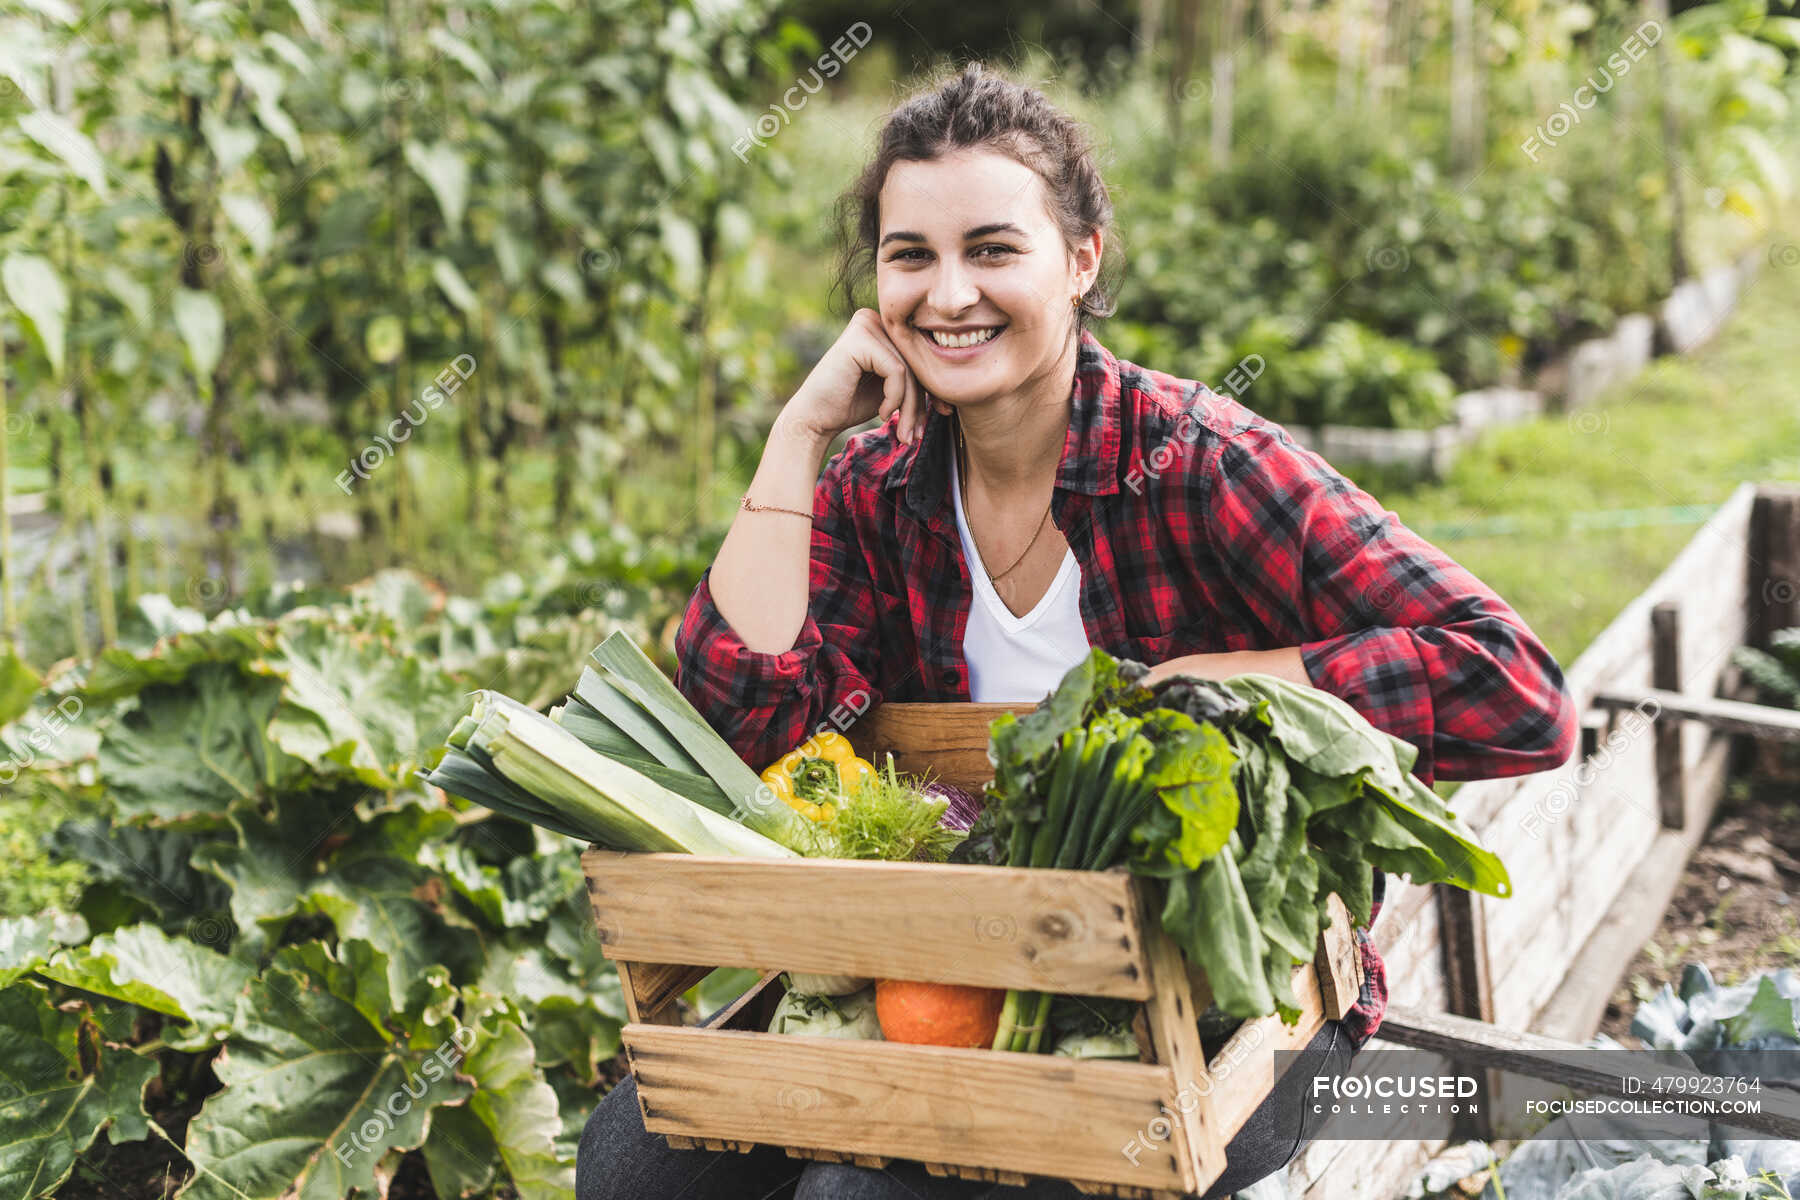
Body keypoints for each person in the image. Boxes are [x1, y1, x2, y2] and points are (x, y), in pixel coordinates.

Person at [578, 60, 1578, 1200]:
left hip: (1228, 1000)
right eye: (912, 256)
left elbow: (1517, 689)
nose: (949, 295)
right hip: (951, 976)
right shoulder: (873, 488)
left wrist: (1220, 683)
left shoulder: (1197, 462)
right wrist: (798, 436)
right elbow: (745, 729)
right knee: (632, 1168)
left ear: (1082, 258)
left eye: (994, 249)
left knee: (863, 1195)